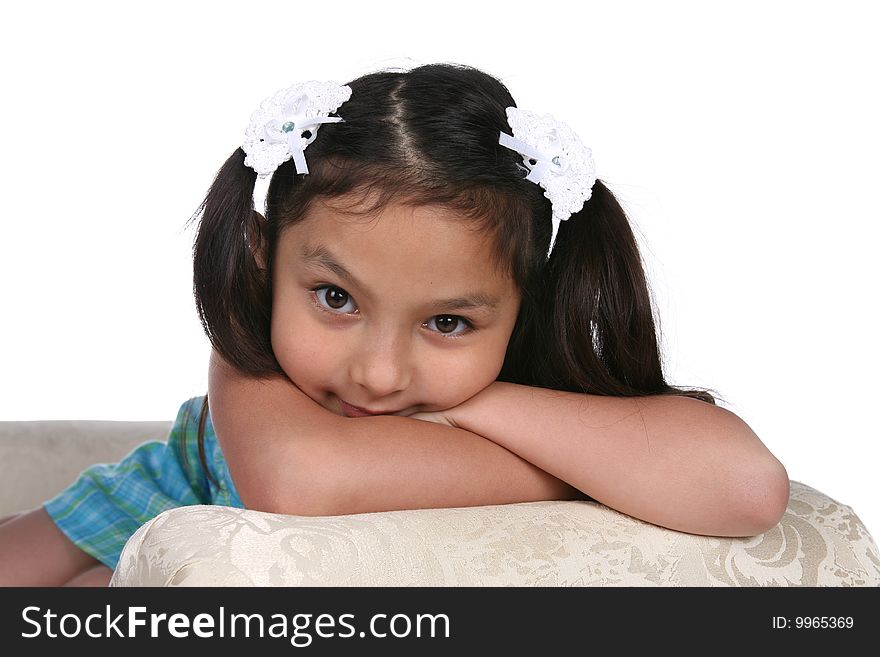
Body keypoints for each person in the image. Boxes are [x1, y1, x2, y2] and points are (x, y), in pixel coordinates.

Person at [0, 62, 790, 587]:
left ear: (527, 308)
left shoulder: (522, 385)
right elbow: (298, 479)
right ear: (265, 259)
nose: (379, 373)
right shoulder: (253, 362)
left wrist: (479, 407)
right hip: (157, 507)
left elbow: (748, 487)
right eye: (335, 299)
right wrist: (578, 471)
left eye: (447, 321)